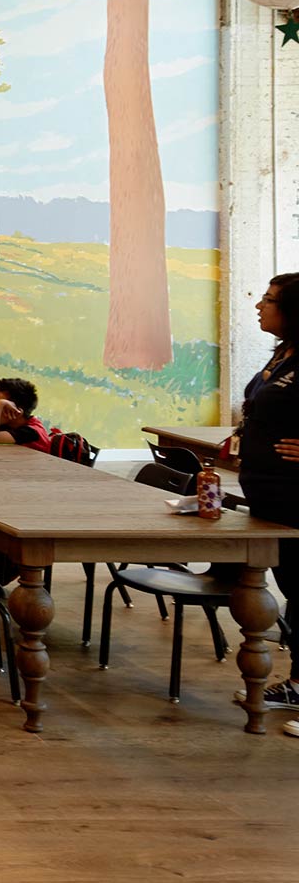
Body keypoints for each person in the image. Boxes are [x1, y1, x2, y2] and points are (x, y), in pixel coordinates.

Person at [226, 273, 299, 728]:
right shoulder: (282, 354)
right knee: (296, 590)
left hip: (297, 494)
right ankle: (297, 685)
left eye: (269, 300)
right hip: (270, 494)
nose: (259, 306)